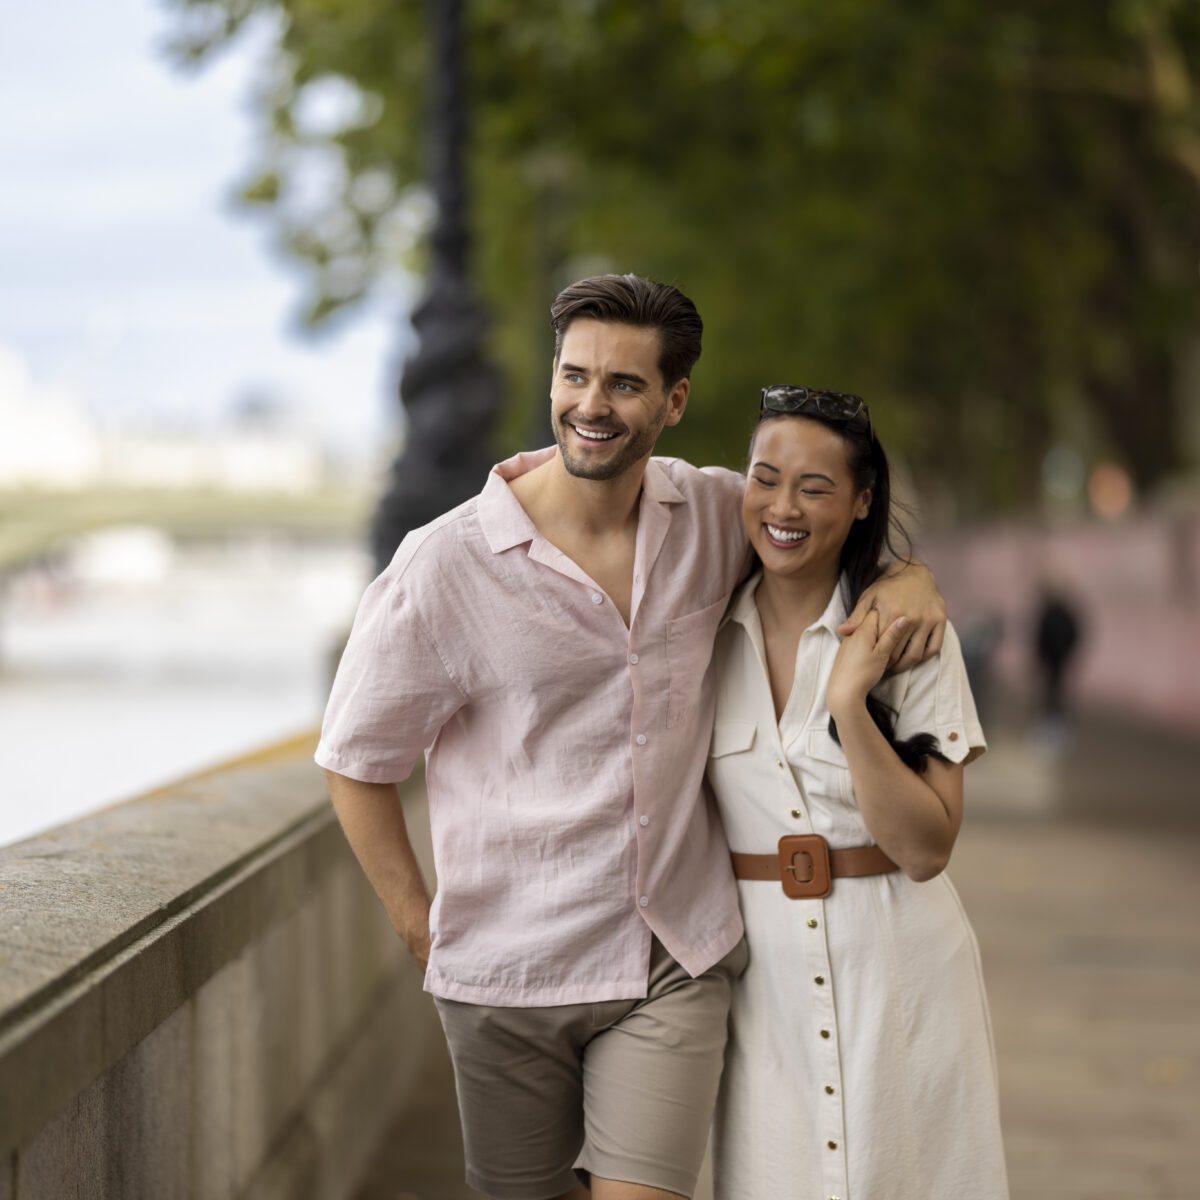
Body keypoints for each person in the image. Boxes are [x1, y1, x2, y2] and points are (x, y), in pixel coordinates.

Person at [316, 276, 947, 1200]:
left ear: (673, 400)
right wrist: (422, 927)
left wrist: (911, 578)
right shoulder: (445, 564)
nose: (592, 405)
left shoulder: (712, 517)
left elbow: (816, 530)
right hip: (508, 969)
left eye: (623, 384)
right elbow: (356, 761)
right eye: (576, 377)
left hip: (671, 959)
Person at [706, 385, 1008, 1200]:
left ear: (862, 500)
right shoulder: (697, 634)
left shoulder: (913, 638)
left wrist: (849, 704)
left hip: (902, 971)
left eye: (815, 487)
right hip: (760, 984)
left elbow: (926, 848)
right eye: (765, 479)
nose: (782, 506)